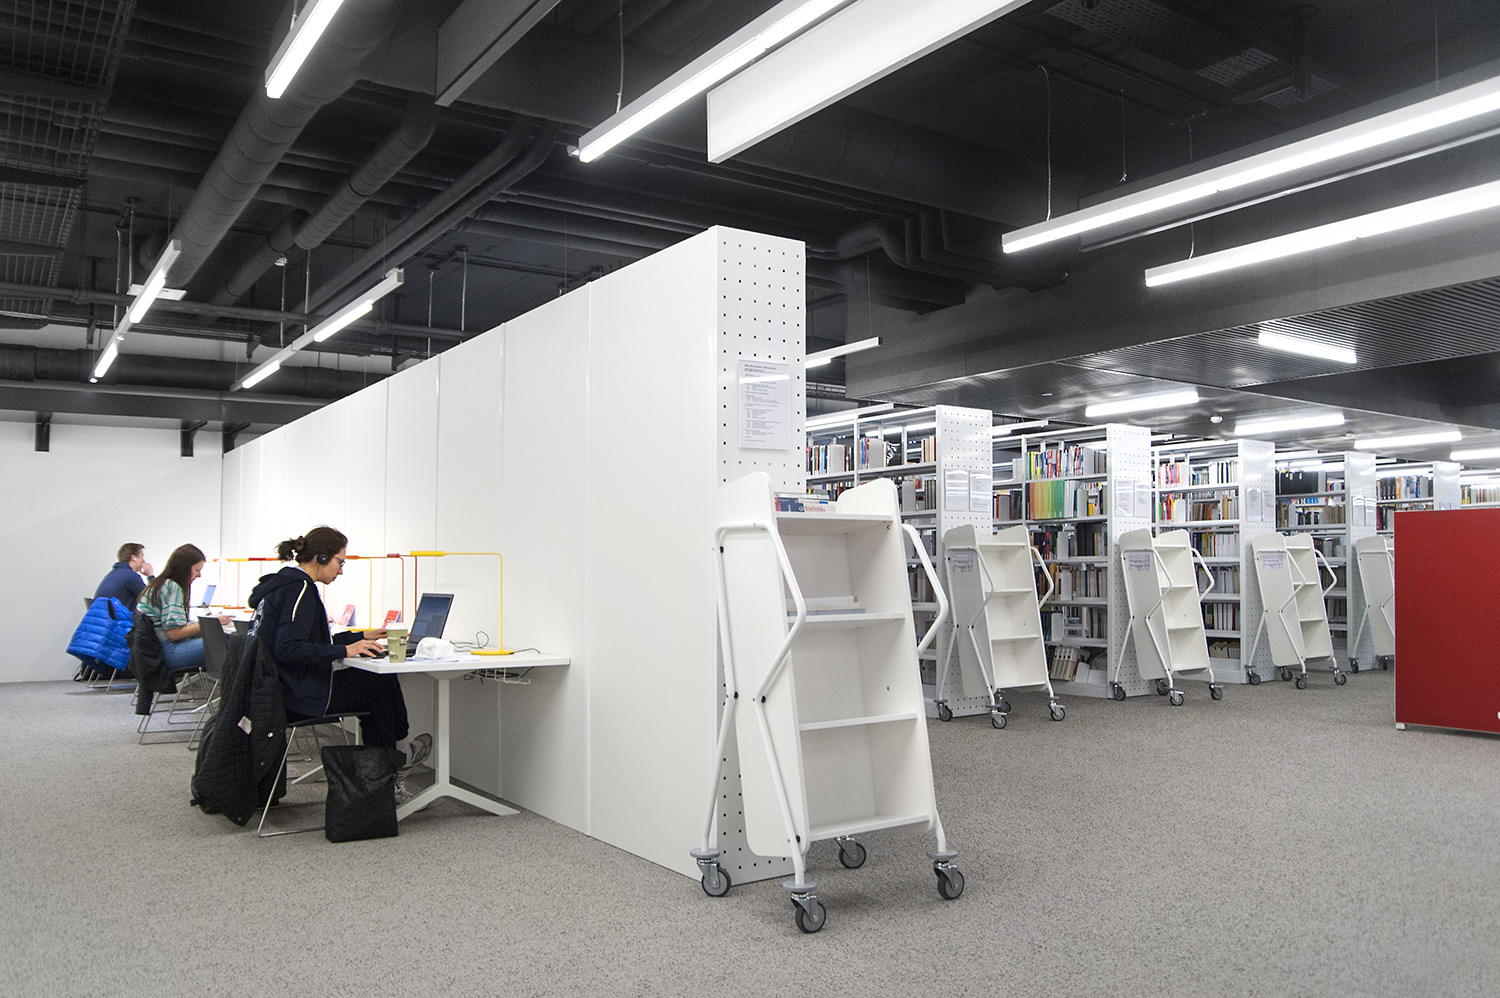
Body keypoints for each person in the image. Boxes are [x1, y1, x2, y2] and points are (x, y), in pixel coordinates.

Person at [247, 527, 428, 777]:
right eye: (339, 562)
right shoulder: (300, 590)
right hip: (290, 696)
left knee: (377, 683)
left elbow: (308, 641)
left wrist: (360, 637)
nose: (340, 571)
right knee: (379, 686)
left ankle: (393, 762)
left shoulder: (280, 586)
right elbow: (288, 649)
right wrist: (345, 649)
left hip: (271, 690)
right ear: (321, 558)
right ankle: (388, 772)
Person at [136, 544, 227, 670]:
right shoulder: (172, 587)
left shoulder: (160, 584)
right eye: (197, 570)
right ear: (185, 568)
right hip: (168, 651)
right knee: (230, 644)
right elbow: (174, 634)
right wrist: (209, 623)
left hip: (154, 650)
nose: (199, 575)